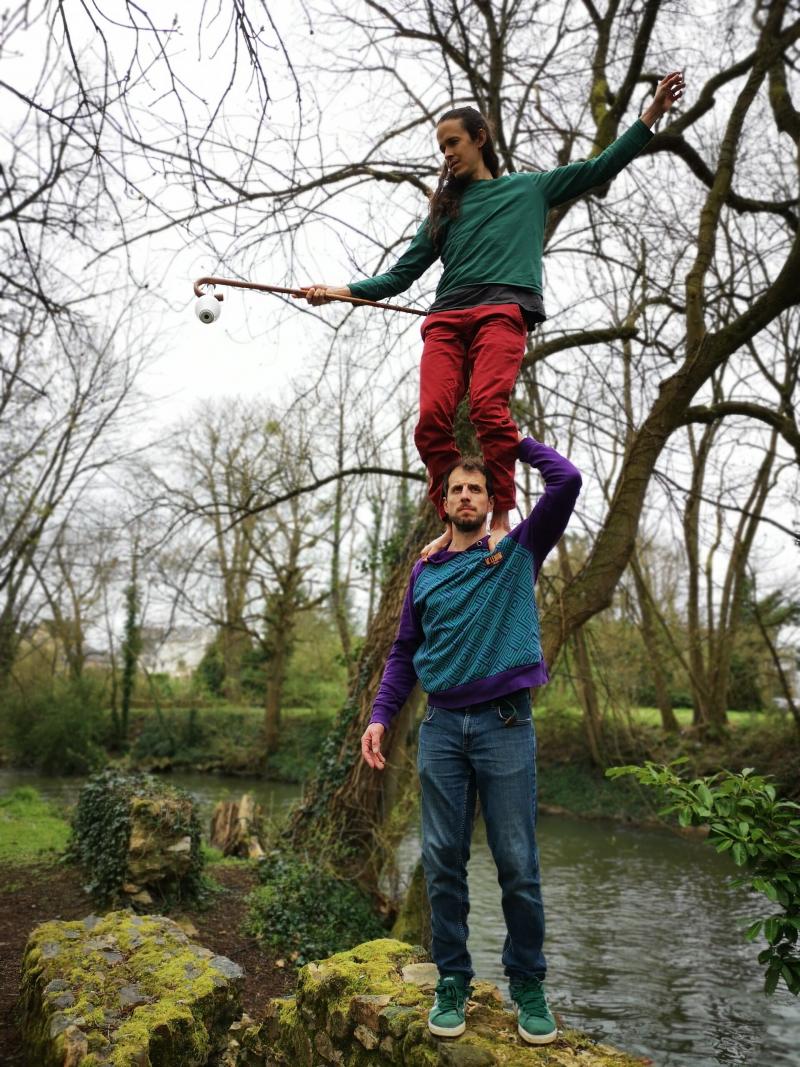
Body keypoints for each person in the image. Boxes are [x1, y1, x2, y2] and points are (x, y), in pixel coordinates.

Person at [302, 73, 684, 557]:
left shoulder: (529, 190)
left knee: (487, 407)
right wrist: (338, 291)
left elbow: (601, 165)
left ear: (480, 139)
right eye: (441, 147)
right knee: (431, 421)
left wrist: (650, 115)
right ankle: (450, 523)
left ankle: (501, 513)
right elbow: (400, 276)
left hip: (501, 312)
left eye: (453, 142)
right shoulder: (444, 212)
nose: (446, 153)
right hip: (446, 319)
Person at [360, 433, 581, 1045]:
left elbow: (566, 483)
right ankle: (452, 980)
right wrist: (381, 714)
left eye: (475, 488)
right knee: (442, 864)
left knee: (517, 863)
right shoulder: (425, 571)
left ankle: (528, 985)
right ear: (443, 500)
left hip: (505, 726)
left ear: (490, 498)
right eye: (455, 488)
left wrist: (516, 442)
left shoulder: (515, 552)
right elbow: (406, 651)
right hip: (440, 731)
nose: (464, 495)